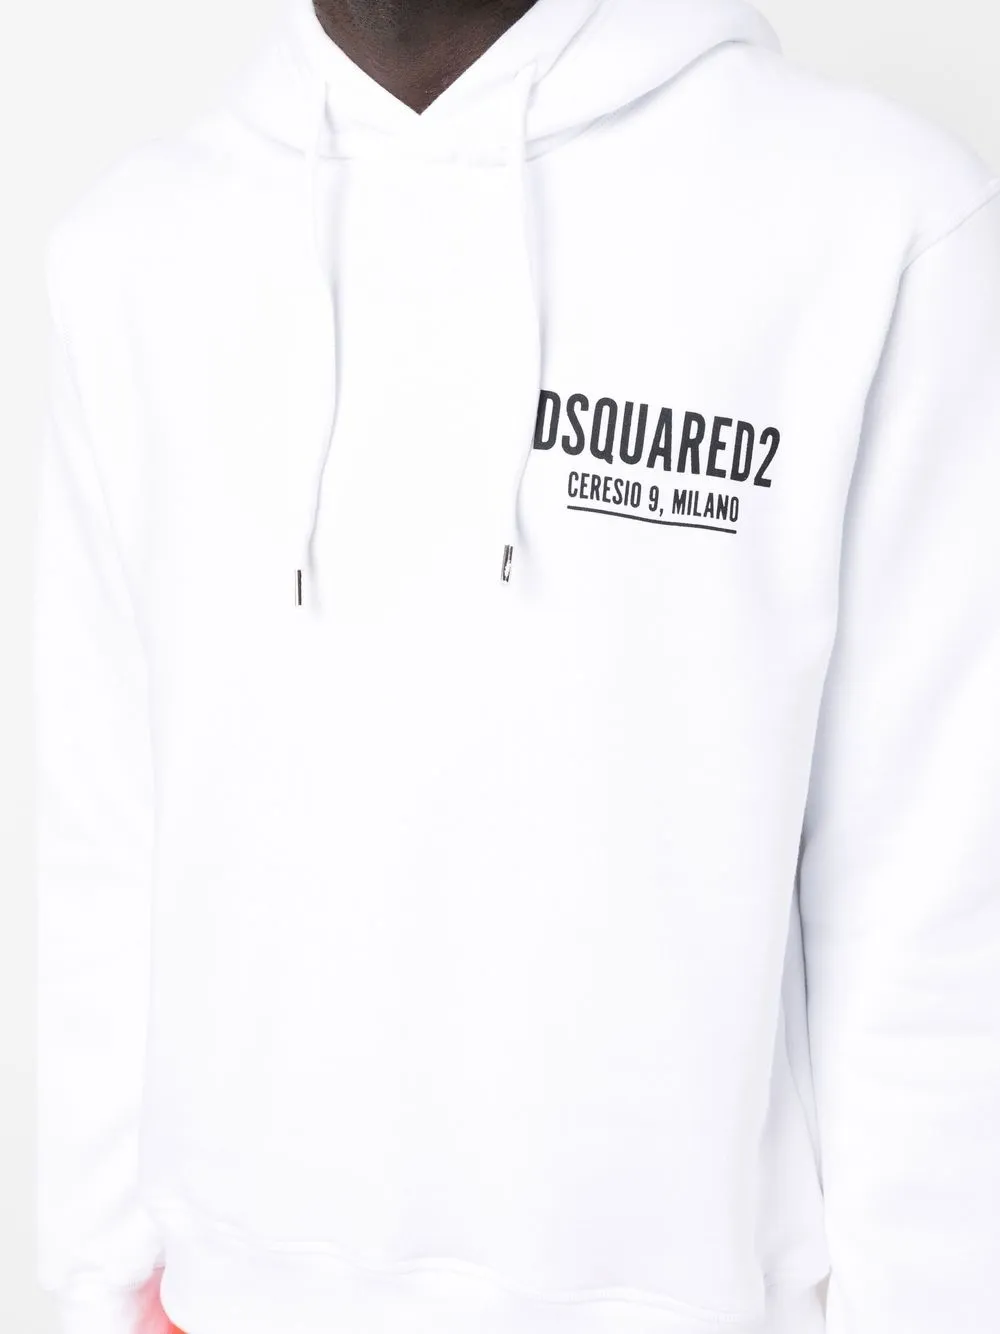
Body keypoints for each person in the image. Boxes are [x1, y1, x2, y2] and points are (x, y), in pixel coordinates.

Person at [33, 0, 1000, 1331]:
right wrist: (91, 1287)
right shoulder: (129, 255)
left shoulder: (876, 219)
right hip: (227, 1299)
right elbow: (102, 845)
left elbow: (935, 892)